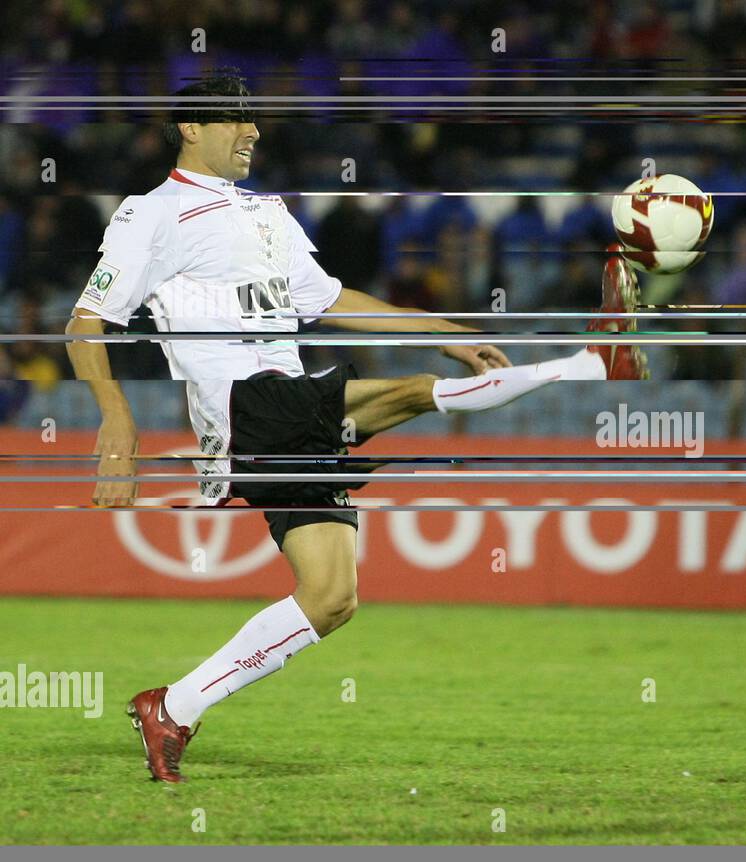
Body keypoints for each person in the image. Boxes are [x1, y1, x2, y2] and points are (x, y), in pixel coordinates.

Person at [66, 72, 646, 783]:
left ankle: (174, 707)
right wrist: (116, 417)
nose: (253, 131)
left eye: (255, 121)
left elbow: (334, 298)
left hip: (287, 414)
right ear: (191, 126)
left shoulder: (267, 214)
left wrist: (442, 330)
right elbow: (86, 322)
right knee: (408, 398)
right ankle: (593, 361)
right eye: (236, 119)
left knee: (332, 598)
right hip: (247, 404)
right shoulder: (150, 214)